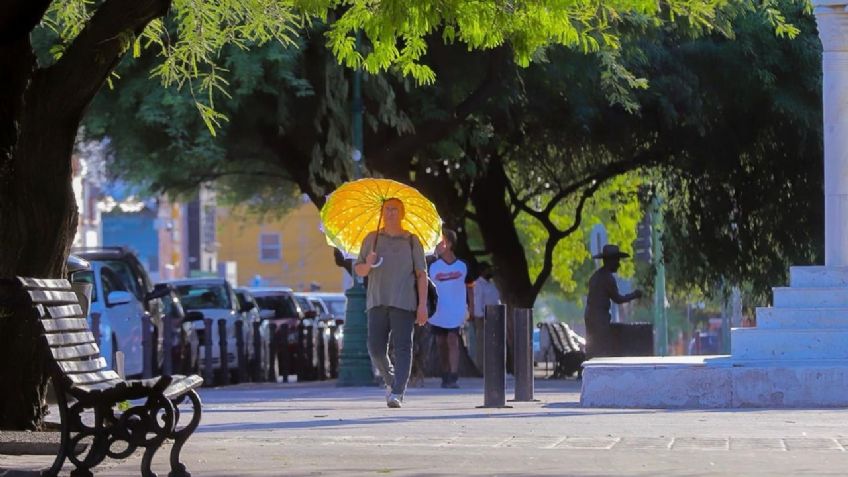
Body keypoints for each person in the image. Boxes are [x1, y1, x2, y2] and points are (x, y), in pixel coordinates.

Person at [354, 198, 429, 408]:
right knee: (376, 348)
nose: (390, 213)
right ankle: (390, 380)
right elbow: (359, 270)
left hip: (404, 302)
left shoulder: (412, 241)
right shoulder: (372, 239)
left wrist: (422, 305)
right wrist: (368, 264)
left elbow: (421, 275)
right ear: (381, 213)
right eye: (387, 209)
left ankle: (397, 392)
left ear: (402, 213)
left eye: (395, 209)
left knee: (404, 347)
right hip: (377, 301)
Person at [584, 244, 643, 358]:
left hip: (591, 316)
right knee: (600, 348)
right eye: (616, 260)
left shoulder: (596, 276)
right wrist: (634, 295)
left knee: (593, 348)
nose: (619, 264)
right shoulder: (607, 278)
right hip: (599, 319)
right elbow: (618, 299)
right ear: (609, 261)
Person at [427, 228, 469, 388]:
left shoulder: (462, 265)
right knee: (440, 342)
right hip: (438, 311)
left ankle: (453, 375)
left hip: (456, 311)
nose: (438, 245)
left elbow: (470, 286)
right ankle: (445, 373)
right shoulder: (432, 266)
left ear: (450, 244)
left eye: (441, 242)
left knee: (453, 340)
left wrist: (469, 307)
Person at [469, 261, 500, 371]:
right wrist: (481, 316)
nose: (490, 271)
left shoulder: (491, 284)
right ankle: (481, 368)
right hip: (483, 317)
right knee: (482, 344)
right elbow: (477, 301)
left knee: (493, 343)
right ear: (482, 271)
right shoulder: (478, 284)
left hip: (494, 316)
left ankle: (492, 367)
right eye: (488, 269)